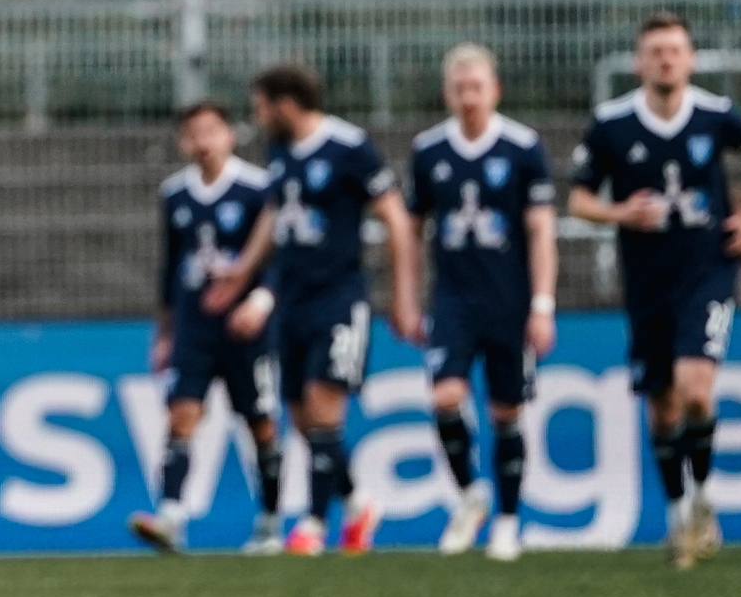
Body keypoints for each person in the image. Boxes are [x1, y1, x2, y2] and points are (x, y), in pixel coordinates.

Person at [567, 12, 741, 568]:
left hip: (707, 271)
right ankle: (678, 509)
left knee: (696, 389)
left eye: (675, 50)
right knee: (661, 406)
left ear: (690, 58)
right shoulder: (612, 124)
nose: (666, 59)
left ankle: (705, 500)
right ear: (639, 62)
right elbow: (578, 199)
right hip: (647, 281)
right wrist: (619, 212)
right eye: (655, 51)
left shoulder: (715, 115)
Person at [209, 63, 420, 556]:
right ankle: (359, 502)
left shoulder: (350, 147)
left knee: (325, 410)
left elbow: (395, 218)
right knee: (303, 419)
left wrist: (404, 294)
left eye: (261, 106)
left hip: (339, 298)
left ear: (284, 104)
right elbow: (274, 212)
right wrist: (241, 274)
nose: (257, 117)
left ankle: (312, 525)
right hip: (292, 301)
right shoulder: (280, 151)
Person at [403, 45, 558, 562]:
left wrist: (542, 304)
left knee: (505, 411)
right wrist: (405, 296)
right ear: (447, 93)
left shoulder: (522, 147)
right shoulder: (428, 152)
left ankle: (509, 522)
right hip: (453, 299)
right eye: (459, 88)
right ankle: (471, 494)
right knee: (445, 397)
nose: (469, 97)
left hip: (509, 301)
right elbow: (411, 228)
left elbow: (541, 231)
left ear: (496, 90)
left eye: (478, 87)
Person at [127, 99, 284, 556]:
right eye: (193, 133)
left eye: (211, 131)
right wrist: (164, 333)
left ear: (229, 135)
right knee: (180, 416)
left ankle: (271, 521)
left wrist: (260, 300)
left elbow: (278, 256)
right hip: (194, 328)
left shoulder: (258, 188)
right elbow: (171, 266)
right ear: (183, 142)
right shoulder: (175, 193)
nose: (202, 141)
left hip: (245, 328)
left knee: (260, 423)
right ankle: (172, 517)